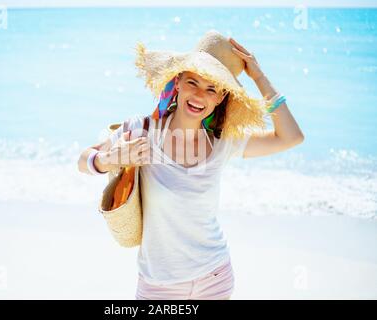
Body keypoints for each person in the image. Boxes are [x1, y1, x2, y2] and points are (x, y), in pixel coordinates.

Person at [78, 30, 304, 300]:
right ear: (178, 82)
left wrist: (258, 76)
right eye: (193, 83)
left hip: (215, 277)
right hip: (159, 286)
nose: (199, 96)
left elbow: (291, 137)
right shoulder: (142, 130)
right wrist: (112, 158)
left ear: (220, 98)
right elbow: (83, 161)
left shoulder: (223, 143)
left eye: (212, 89)